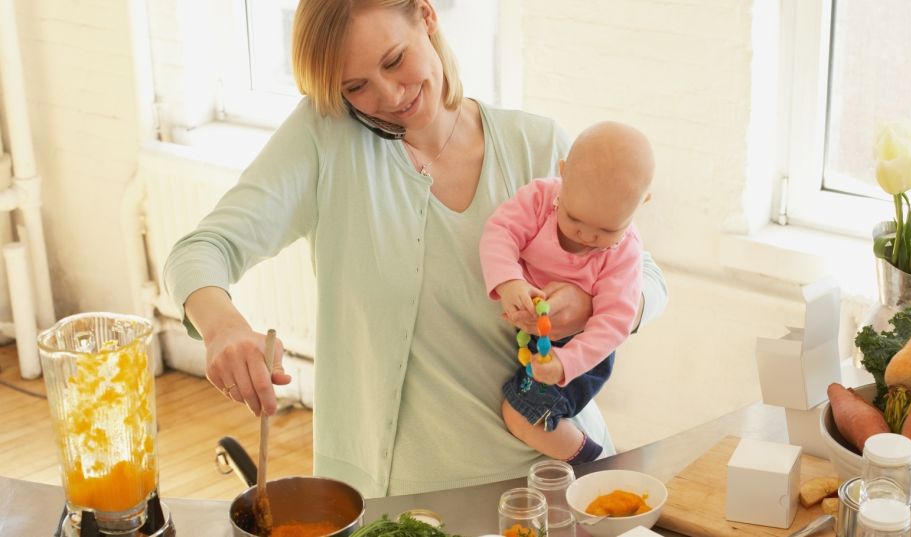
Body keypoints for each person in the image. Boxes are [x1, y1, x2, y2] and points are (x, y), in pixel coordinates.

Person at [162, 0, 667, 498]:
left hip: (553, 477)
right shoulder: (326, 139)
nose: (388, 95)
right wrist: (221, 325)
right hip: (401, 499)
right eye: (354, 86)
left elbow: (647, 278)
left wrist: (590, 304)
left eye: (394, 60)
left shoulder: (535, 146)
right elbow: (202, 249)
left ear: (426, 18)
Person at [479, 121, 653, 466]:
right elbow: (500, 233)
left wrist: (565, 362)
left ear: (641, 204)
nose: (587, 237)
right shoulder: (540, 200)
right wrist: (508, 280)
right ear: (563, 175)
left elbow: (614, 323)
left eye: (607, 230)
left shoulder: (625, 251)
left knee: (522, 414)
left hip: (583, 351)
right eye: (574, 219)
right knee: (525, 412)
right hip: (538, 340)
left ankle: (592, 461)